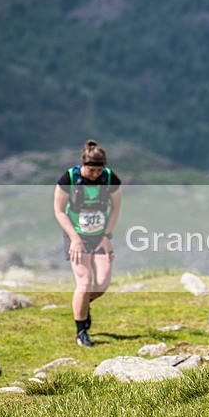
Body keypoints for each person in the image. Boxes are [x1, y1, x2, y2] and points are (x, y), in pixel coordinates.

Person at [53, 140, 123, 347]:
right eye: (91, 170)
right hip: (76, 235)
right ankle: (81, 331)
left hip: (100, 235)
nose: (95, 174)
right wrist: (74, 239)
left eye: (99, 170)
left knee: (101, 284)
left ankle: (83, 305)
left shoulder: (110, 179)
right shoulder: (69, 179)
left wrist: (107, 237)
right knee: (84, 282)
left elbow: (116, 209)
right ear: (84, 164)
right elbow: (59, 210)